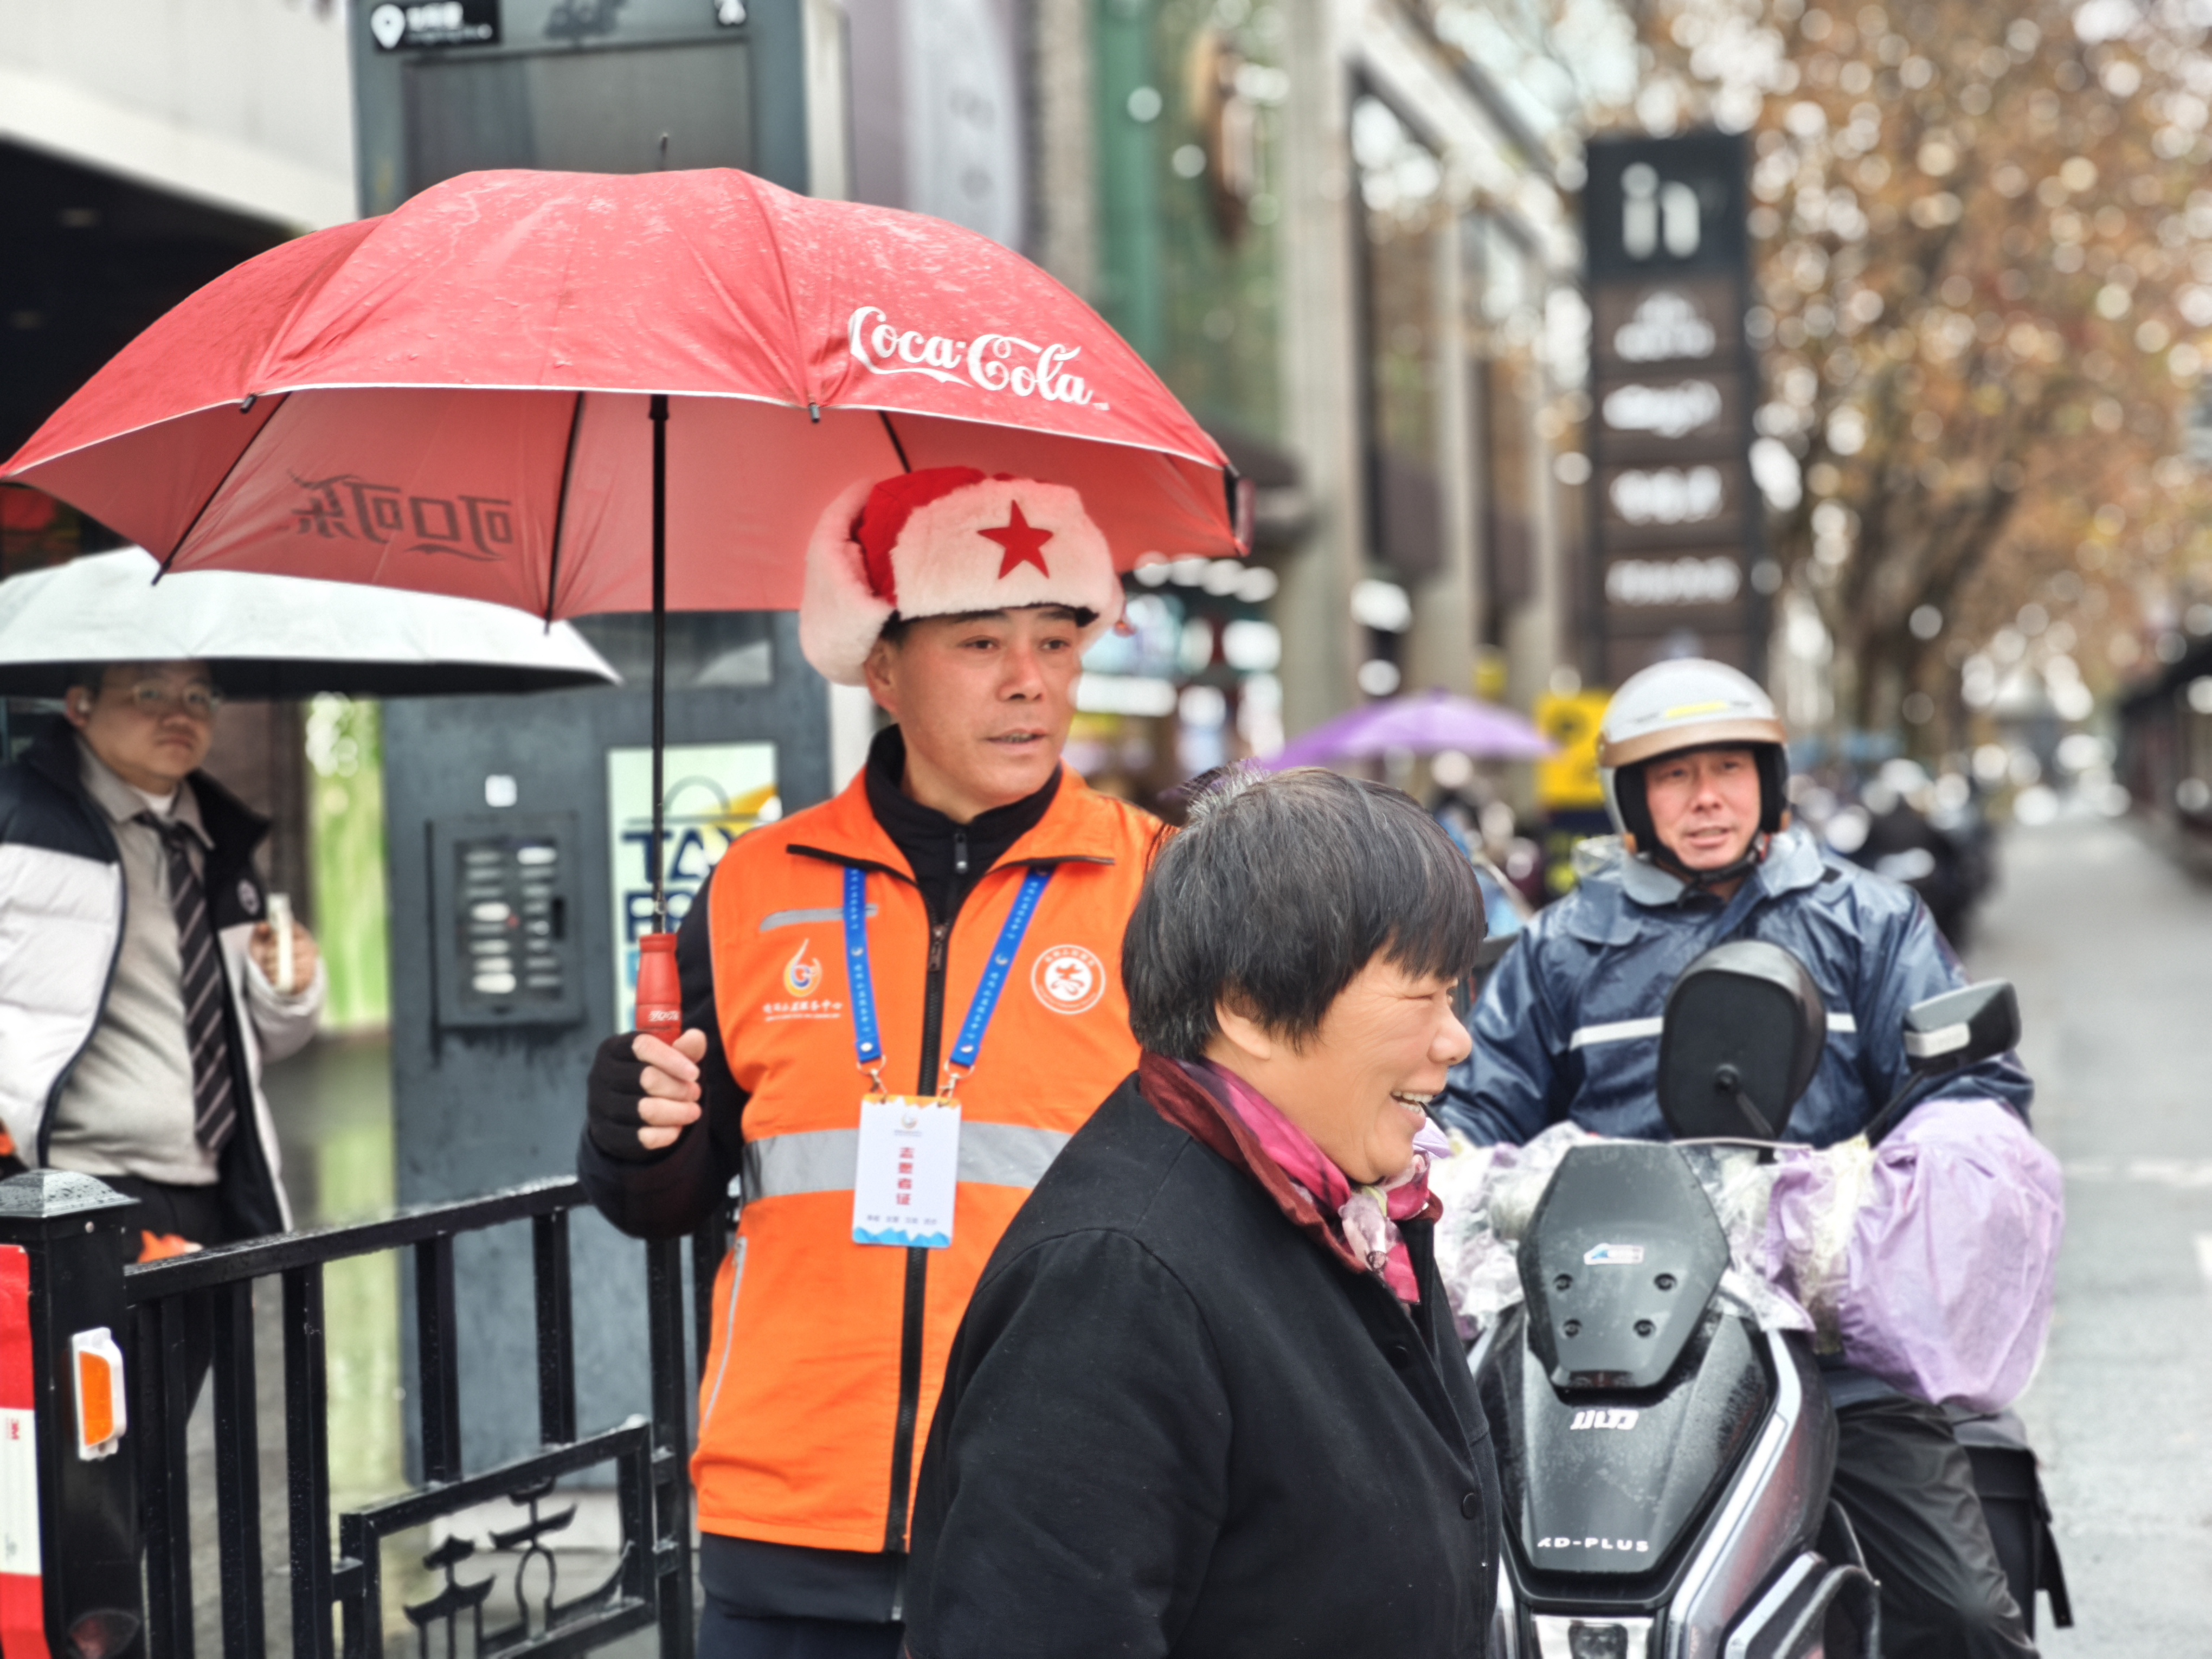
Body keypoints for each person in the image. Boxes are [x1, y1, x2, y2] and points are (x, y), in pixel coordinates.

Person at [578, 468, 1163, 1659]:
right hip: (787, 1513)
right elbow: (665, 1201)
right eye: (982, 642)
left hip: (1062, 1508)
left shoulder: (1162, 884)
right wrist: (633, 1132)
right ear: (882, 670)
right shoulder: (755, 886)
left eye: (1057, 641)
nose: (1030, 680)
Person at [1439, 657, 2039, 1659]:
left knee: (1964, 1615)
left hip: (1831, 1341)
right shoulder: (1561, 951)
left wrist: (1877, 1190)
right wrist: (1484, 1182)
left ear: (1769, 778)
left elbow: (1971, 1094)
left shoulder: (1869, 922)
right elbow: (1468, 1118)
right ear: (1632, 797)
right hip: (1605, 1342)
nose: (1706, 797)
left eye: (1727, 768)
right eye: (1674, 775)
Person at [903, 767, 1500, 1658]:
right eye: (1422, 996)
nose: (1457, 1040)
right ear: (1250, 1007)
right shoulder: (1117, 1281)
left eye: (1455, 994)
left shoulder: (1342, 1205)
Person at [0, 660, 324, 1278]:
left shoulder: (220, 840)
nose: (181, 714)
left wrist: (289, 992)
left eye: (201, 696)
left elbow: (263, 1042)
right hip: (71, 1191)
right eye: (151, 692)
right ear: (80, 705)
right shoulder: (16, 821)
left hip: (213, 1191)